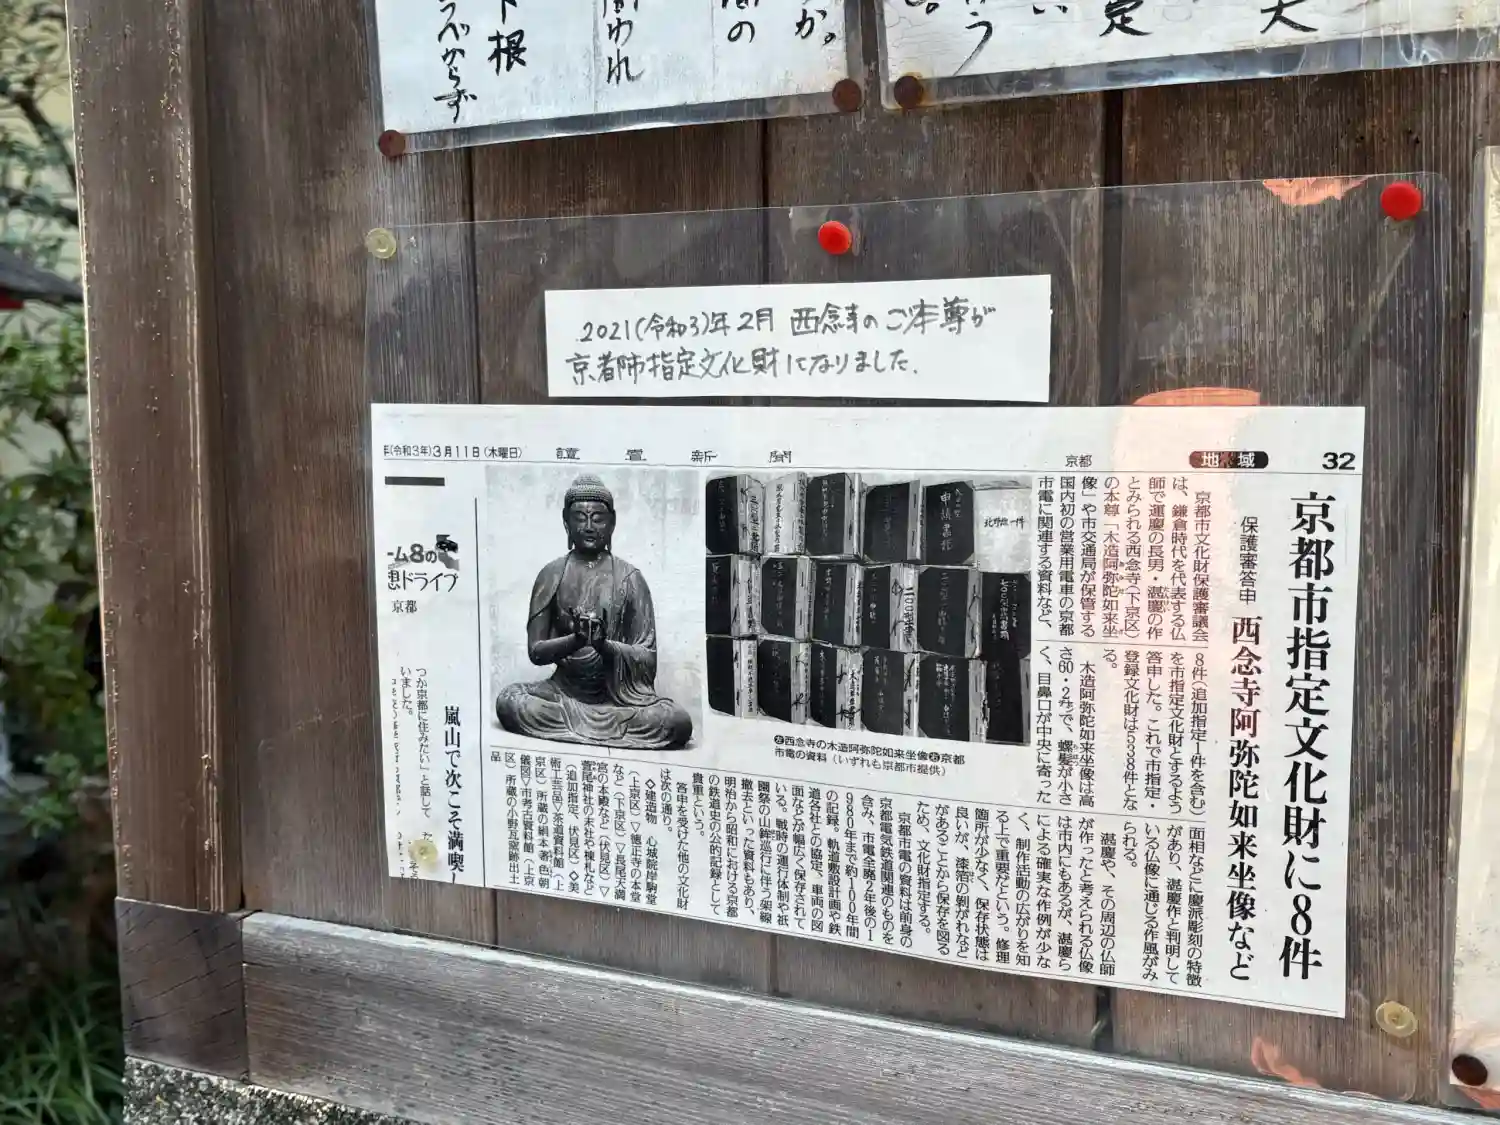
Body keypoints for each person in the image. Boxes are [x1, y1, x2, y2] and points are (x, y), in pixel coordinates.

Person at [495, 474, 693, 750]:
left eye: (598, 518)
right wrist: (576, 640)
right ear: (566, 522)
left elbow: (647, 658)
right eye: (580, 518)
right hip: (563, 693)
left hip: (616, 699)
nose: (589, 527)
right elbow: (536, 651)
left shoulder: (630, 578)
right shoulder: (551, 574)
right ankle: (601, 731)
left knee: (677, 721)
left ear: (612, 523)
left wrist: (603, 645)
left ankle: (586, 729)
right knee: (510, 700)